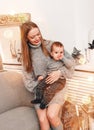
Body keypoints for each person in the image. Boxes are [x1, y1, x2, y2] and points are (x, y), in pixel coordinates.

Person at [21, 21, 75, 130]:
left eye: (38, 34)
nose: (37, 38)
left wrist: (60, 72)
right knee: (42, 119)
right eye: (32, 37)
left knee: (51, 115)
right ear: (26, 38)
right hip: (40, 89)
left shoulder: (52, 45)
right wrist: (41, 84)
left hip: (58, 88)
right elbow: (28, 81)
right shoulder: (26, 55)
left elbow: (71, 64)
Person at [31, 41, 66, 109]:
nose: (59, 54)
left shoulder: (63, 61)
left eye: (61, 52)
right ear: (52, 54)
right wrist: (41, 76)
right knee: (39, 86)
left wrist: (64, 58)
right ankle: (38, 98)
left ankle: (44, 103)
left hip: (60, 80)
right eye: (56, 52)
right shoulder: (49, 61)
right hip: (49, 77)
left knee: (50, 91)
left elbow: (70, 66)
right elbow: (46, 71)